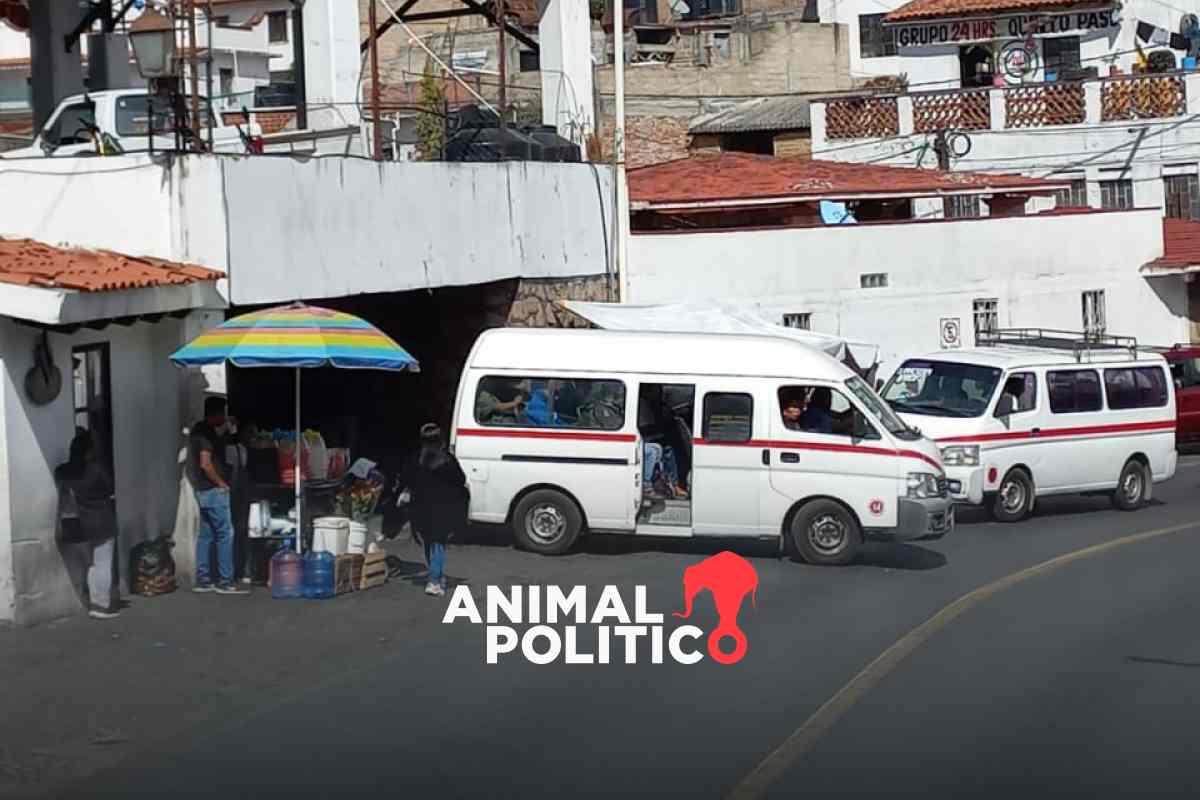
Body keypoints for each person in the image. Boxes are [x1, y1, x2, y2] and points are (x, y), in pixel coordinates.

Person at [56, 430, 120, 620]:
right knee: (103, 564)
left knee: (91, 564)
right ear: (88, 451)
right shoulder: (97, 469)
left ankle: (93, 603)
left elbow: (60, 479)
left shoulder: (63, 471)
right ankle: (102, 606)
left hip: (78, 524)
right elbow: (109, 488)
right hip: (102, 521)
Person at [188, 397, 249, 595]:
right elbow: (206, 463)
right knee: (225, 533)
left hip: (202, 489)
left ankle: (203, 579)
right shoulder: (205, 434)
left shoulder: (200, 430)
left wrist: (228, 432)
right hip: (213, 490)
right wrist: (221, 483)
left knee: (206, 535)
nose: (224, 417)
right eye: (223, 413)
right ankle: (225, 581)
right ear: (215, 414)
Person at [401, 423, 468, 597]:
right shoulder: (448, 460)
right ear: (441, 441)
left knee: (428, 542)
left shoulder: (415, 459)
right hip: (443, 508)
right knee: (438, 544)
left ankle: (434, 574)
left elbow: (406, 479)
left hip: (420, 508)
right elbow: (460, 480)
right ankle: (434, 581)